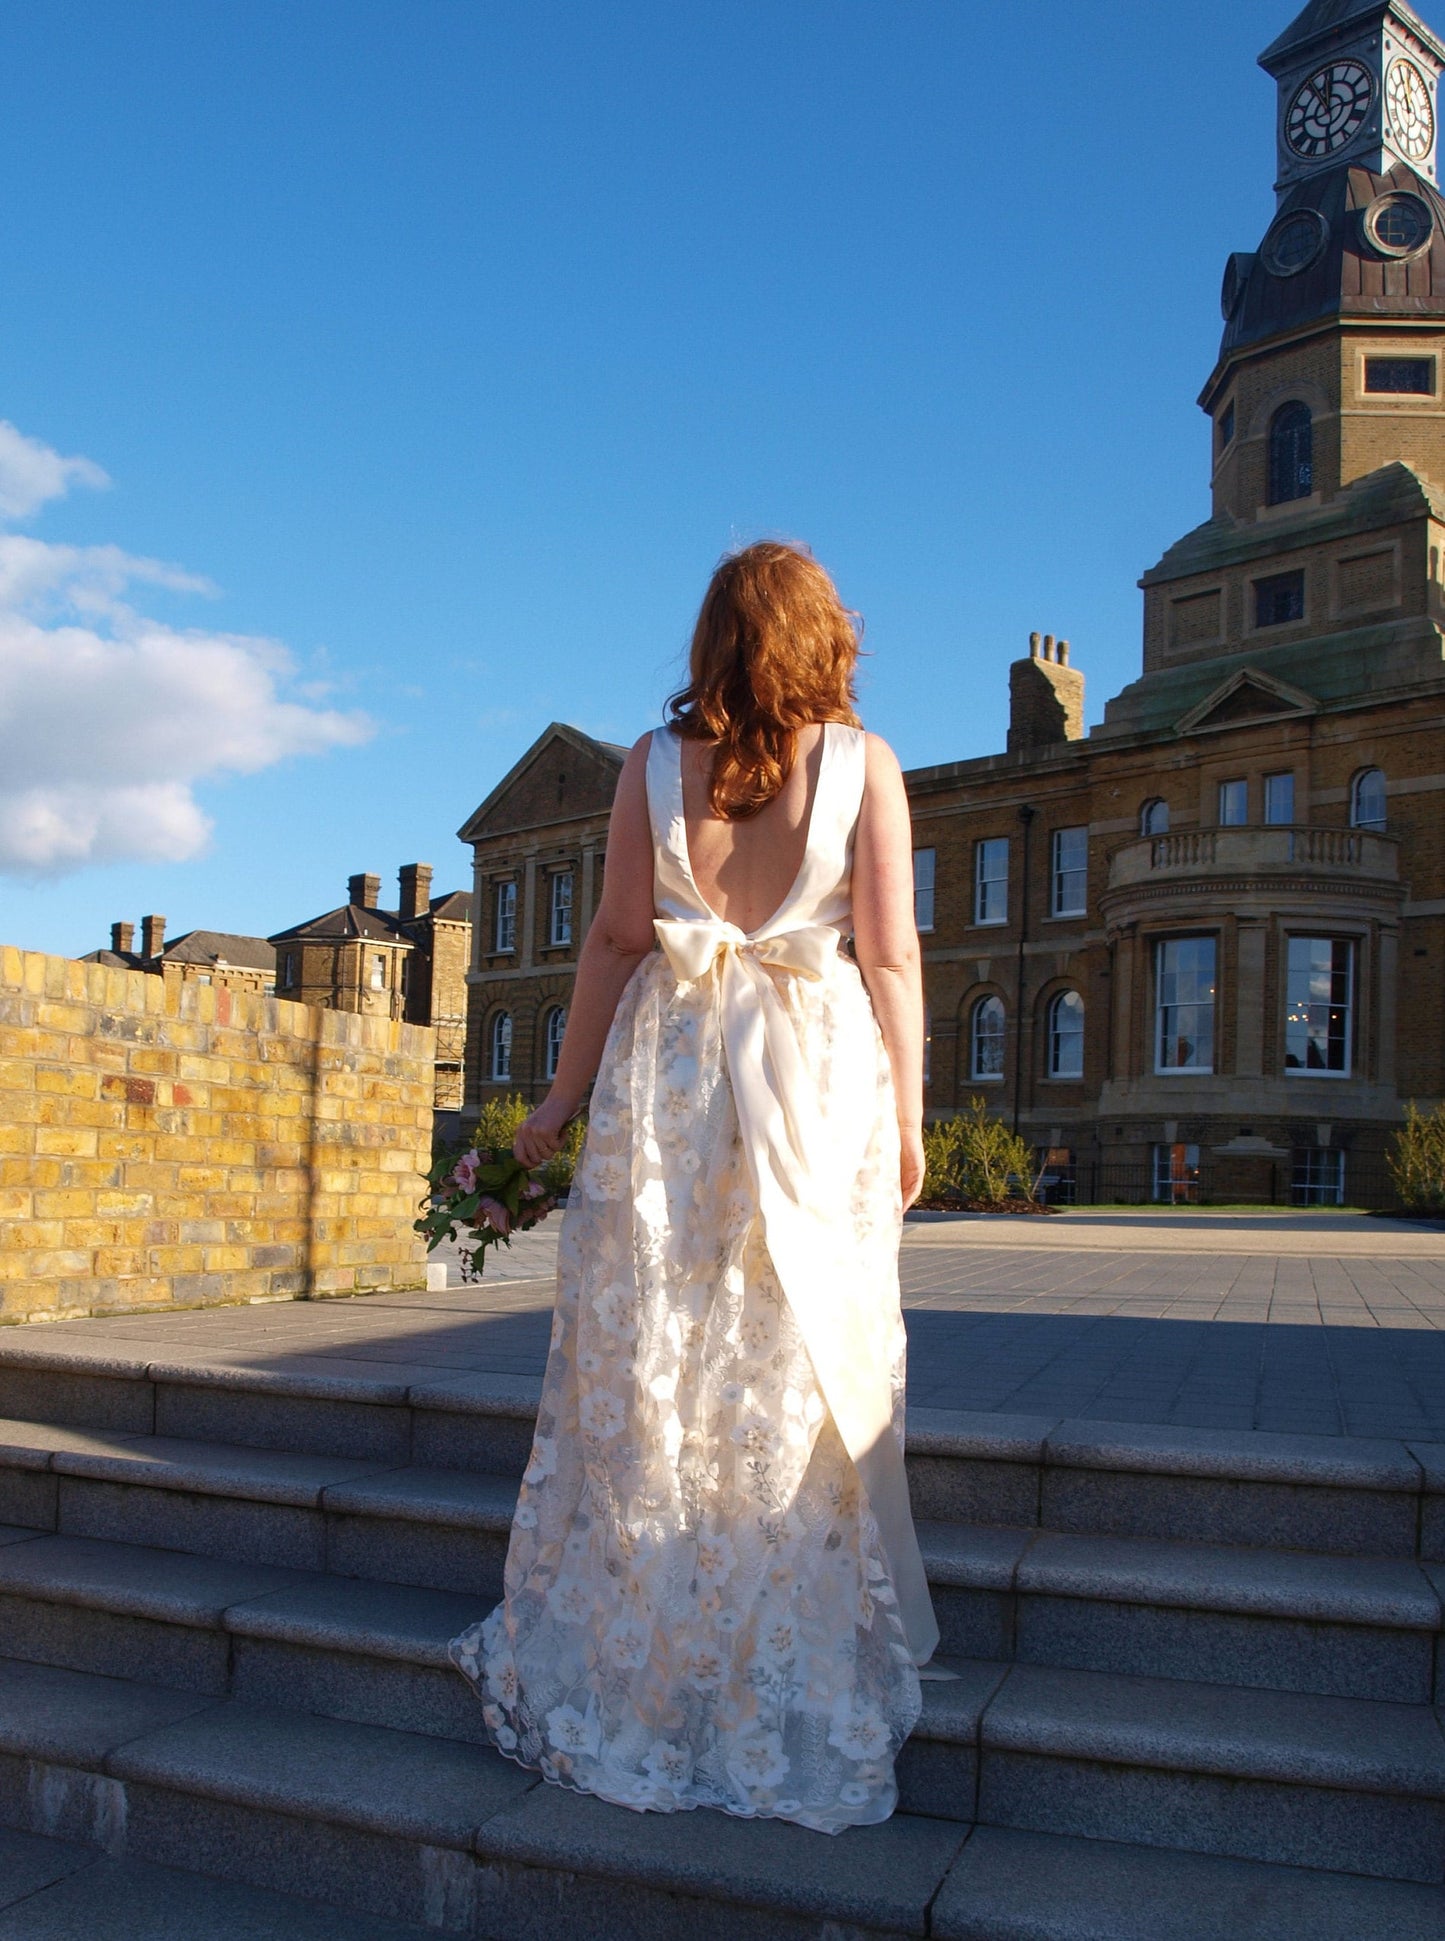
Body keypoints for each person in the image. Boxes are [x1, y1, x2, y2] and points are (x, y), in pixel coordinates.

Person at [450, 540, 940, 1833]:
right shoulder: (866, 767)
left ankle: (643, 1664)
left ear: (708, 643)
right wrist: (908, 1112)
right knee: (790, 1364)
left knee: (655, 1355)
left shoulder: (650, 767)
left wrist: (557, 1101)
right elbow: (887, 957)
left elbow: (616, 939)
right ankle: (767, 1671)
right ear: (826, 634)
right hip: (813, 1075)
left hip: (669, 1077)